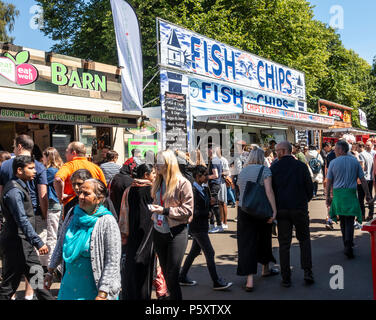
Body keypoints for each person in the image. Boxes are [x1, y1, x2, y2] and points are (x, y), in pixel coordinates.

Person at [45, 179, 121, 300]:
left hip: (94, 289)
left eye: (86, 194)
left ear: (99, 198)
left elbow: (113, 261)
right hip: (68, 286)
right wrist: (50, 271)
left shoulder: (107, 221)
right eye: (80, 192)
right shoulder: (73, 214)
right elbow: (60, 244)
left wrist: (103, 292)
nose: (80, 196)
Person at [0, 135, 48, 299]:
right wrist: (38, 240)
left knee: (38, 283)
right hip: (17, 243)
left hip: (24, 244)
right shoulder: (14, 191)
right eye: (31, 169)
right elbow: (21, 219)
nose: (35, 171)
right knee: (9, 287)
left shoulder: (20, 186)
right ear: (19, 171)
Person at [179, 165, 233, 290]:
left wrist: (210, 202)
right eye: (205, 175)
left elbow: (203, 204)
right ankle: (216, 281)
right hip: (197, 227)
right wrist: (207, 213)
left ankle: (182, 276)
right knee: (210, 252)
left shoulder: (202, 188)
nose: (207, 177)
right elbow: (192, 211)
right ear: (198, 176)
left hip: (201, 226)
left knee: (194, 252)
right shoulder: (193, 190)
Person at [150, 150, 193, 300]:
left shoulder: (183, 183)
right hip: (158, 231)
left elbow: (188, 210)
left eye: (159, 162)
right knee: (166, 274)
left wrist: (165, 210)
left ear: (168, 164)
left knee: (172, 274)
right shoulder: (158, 181)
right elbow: (157, 203)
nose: (156, 166)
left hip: (176, 232)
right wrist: (154, 213)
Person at [271, 141, 314, 288]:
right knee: (304, 240)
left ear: (283, 151)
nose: (276, 153)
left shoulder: (274, 167)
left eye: (277, 150)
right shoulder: (301, 166)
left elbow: (271, 190)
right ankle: (307, 271)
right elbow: (309, 188)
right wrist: (304, 201)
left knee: (284, 244)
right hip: (299, 208)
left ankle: (286, 277)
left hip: (282, 210)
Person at [237, 148, 278, 291]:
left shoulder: (243, 171)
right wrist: (274, 211)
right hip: (261, 211)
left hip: (243, 210)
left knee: (247, 244)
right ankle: (265, 269)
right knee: (264, 240)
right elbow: (269, 191)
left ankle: (249, 281)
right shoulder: (265, 170)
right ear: (262, 157)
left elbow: (240, 191)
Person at [326, 140, 372, 259]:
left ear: (341, 150)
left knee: (342, 220)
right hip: (351, 194)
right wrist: (368, 195)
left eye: (336, 149)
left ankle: (346, 243)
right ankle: (348, 243)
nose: (334, 151)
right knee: (350, 221)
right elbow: (362, 180)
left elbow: (329, 181)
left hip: (338, 195)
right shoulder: (355, 162)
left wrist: (328, 196)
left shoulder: (333, 163)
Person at [119, 164, 156, 300]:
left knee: (131, 268)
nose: (155, 176)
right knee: (144, 271)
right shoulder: (151, 190)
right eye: (153, 173)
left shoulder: (129, 190)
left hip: (131, 234)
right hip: (146, 234)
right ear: (145, 175)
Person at [54, 141, 106, 218]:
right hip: (93, 208)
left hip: (72, 208)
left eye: (67, 152)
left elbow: (58, 179)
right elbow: (104, 188)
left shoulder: (69, 166)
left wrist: (60, 197)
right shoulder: (96, 168)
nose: (65, 155)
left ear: (74, 153)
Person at [42, 147, 64, 267]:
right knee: (58, 235)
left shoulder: (49, 171)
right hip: (60, 205)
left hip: (53, 205)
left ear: (48, 157)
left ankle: (52, 266)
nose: (42, 159)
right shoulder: (60, 169)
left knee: (52, 236)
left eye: (44, 156)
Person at [357, 141, 374, 222]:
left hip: (363, 179)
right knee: (369, 197)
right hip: (370, 178)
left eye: (357, 147)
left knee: (360, 199)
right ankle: (371, 214)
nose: (356, 149)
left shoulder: (361, 155)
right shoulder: (369, 154)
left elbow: (362, 167)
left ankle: (362, 215)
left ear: (360, 147)